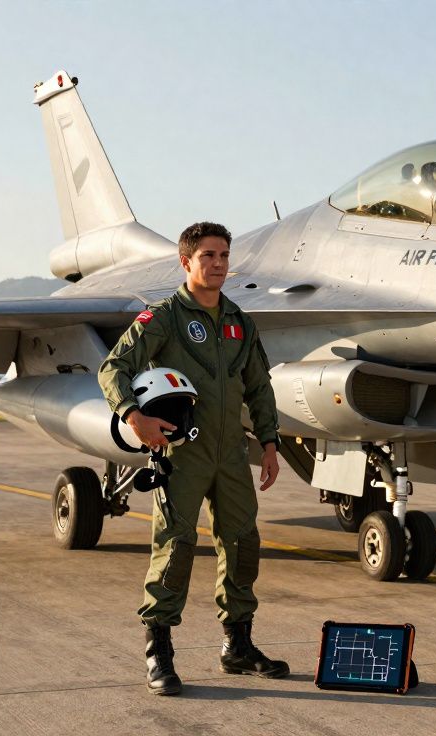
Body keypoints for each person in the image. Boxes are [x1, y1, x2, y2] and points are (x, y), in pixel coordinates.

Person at [98, 221, 287, 696]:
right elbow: (113, 367)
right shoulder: (163, 318)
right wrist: (133, 416)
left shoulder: (240, 322)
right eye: (208, 256)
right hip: (181, 453)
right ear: (186, 261)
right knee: (175, 547)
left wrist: (269, 443)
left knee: (242, 545)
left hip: (231, 455)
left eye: (224, 255)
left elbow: (259, 387)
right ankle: (158, 653)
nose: (218, 264)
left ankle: (237, 646)